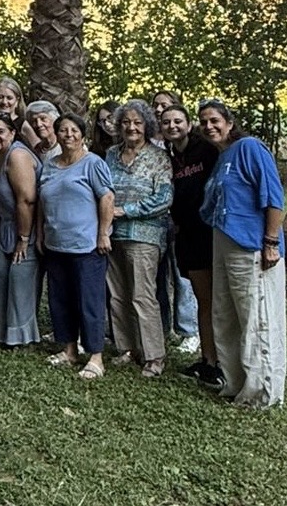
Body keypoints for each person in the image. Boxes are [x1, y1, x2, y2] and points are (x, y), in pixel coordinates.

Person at [198, 99, 286, 408]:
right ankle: (235, 384)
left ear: (229, 122)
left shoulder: (250, 148)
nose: (209, 126)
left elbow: (273, 196)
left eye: (214, 120)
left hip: (251, 244)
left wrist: (270, 242)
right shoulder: (222, 157)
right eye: (204, 122)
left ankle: (261, 392)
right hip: (223, 242)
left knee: (255, 318)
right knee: (226, 316)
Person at [39, 113, 114, 379]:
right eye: (63, 130)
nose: (68, 135)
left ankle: (95, 357)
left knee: (89, 301)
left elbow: (107, 197)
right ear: (56, 134)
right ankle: (69, 349)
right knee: (60, 299)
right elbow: (42, 202)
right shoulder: (50, 165)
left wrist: (103, 234)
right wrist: (40, 234)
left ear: (83, 134)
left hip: (87, 246)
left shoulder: (92, 163)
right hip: (55, 243)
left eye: (74, 130)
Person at [105, 99, 173, 378]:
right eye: (125, 122)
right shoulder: (111, 154)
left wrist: (126, 211)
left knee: (142, 296)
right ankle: (126, 348)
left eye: (137, 122)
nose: (131, 127)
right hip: (112, 234)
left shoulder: (158, 157)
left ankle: (154, 355)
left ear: (147, 125)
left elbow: (164, 198)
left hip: (145, 235)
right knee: (117, 293)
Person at [161, 104, 223, 388]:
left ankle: (224, 362)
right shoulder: (169, 157)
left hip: (212, 233)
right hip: (187, 236)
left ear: (188, 124)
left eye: (178, 121)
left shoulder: (207, 150)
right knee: (203, 299)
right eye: (166, 122)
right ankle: (207, 360)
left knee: (219, 300)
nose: (172, 126)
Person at [0, 112, 41, 348]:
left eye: (1, 131)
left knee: (20, 281)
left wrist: (24, 239)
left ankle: (22, 336)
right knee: (1, 273)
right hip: (6, 227)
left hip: (28, 227)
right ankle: (3, 331)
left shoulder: (17, 156)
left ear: (13, 133)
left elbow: (26, 201)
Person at [150, 90, 199, 353]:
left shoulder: (195, 148)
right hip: (158, 220)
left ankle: (189, 330)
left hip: (184, 223)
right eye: (156, 106)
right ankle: (161, 327)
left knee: (182, 277)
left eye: (165, 106)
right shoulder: (154, 143)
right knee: (158, 277)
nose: (159, 110)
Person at [0, 77, 39, 234]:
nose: (4, 102)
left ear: (17, 100)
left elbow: (39, 150)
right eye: (0, 97)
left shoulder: (22, 124)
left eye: (9, 98)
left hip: (14, 191)